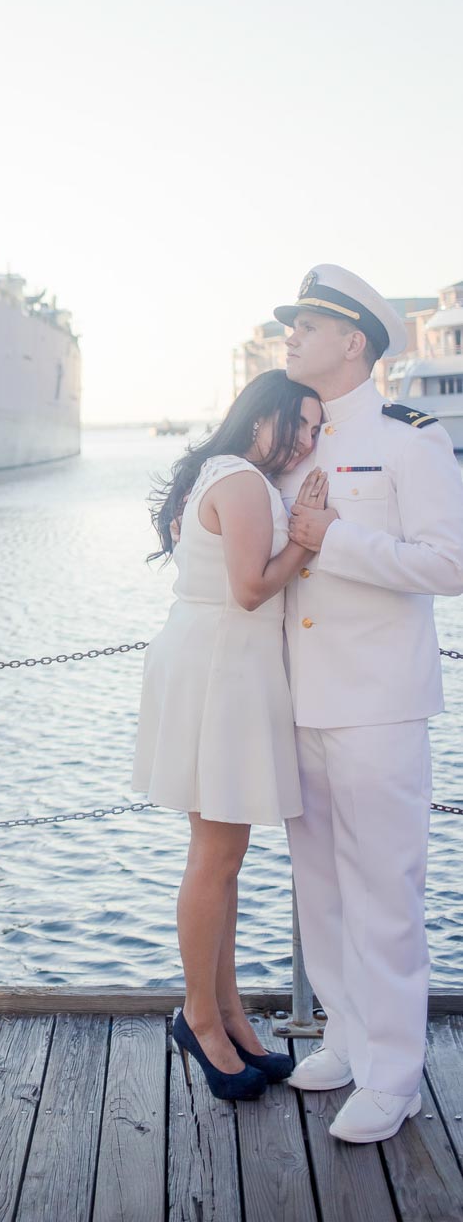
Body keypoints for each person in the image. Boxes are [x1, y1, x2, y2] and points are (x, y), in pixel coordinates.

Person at [273, 264, 463, 1143]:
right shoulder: (294, 442)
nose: (290, 334)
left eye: (307, 323)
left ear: (354, 343)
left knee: (384, 890)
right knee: (321, 888)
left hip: (379, 703)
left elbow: (449, 563)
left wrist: (334, 538)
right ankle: (346, 1039)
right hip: (300, 698)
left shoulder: (407, 438)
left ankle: (394, 1075)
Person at [133, 369, 325, 1100]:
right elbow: (250, 588)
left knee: (224, 854)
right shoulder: (242, 481)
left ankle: (230, 1013)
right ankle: (202, 1020)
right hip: (221, 670)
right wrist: (305, 540)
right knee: (215, 856)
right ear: (261, 417)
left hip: (213, 665)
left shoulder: (219, 470)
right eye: (300, 425)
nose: (308, 440)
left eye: (315, 430)